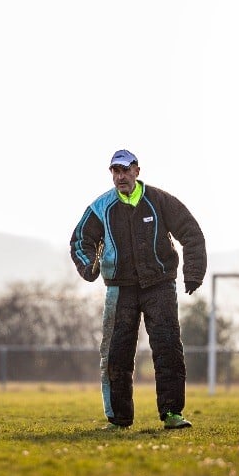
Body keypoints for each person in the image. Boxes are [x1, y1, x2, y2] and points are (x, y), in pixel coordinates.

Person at [70, 149, 207, 429]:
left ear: (137, 171)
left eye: (125, 170)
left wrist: (193, 273)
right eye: (115, 172)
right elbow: (79, 240)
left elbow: (191, 233)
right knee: (116, 354)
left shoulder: (159, 201)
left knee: (168, 348)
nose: (120, 177)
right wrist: (89, 267)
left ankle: (171, 414)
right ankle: (118, 419)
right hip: (120, 289)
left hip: (159, 285)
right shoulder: (101, 208)